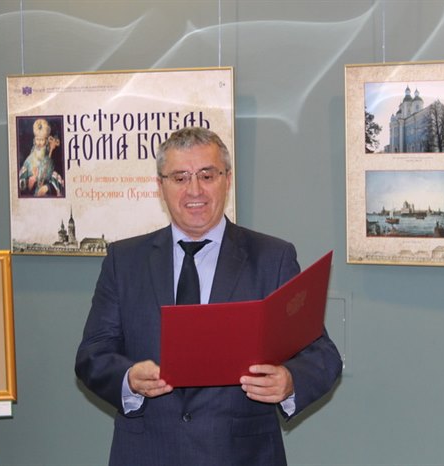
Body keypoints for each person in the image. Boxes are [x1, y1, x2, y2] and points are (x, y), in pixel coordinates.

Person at [75, 126, 342, 466]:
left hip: (242, 455)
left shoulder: (272, 258)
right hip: (147, 453)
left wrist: (289, 381)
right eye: (180, 178)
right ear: (160, 186)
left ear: (227, 179)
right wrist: (128, 379)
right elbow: (92, 355)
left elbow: (322, 354)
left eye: (207, 175)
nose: (194, 190)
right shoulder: (124, 261)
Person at [18, 118, 64, 197]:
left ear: (46, 141)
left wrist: (47, 188)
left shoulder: (51, 161)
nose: (39, 143)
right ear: (34, 140)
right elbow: (20, 186)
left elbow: (57, 182)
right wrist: (29, 183)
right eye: (37, 140)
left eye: (42, 140)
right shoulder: (28, 161)